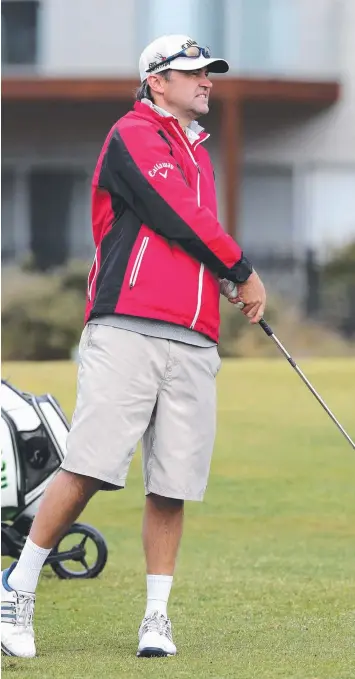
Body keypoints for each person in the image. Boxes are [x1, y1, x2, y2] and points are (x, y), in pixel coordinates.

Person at [1, 34, 266, 659]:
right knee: (89, 466)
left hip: (194, 338)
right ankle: (19, 587)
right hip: (128, 325)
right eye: (193, 73)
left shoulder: (199, 152)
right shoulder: (134, 134)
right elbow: (175, 212)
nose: (207, 82)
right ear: (157, 83)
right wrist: (242, 265)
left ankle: (155, 618)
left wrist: (225, 278)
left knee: (172, 484)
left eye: (210, 73)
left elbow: (192, 236)